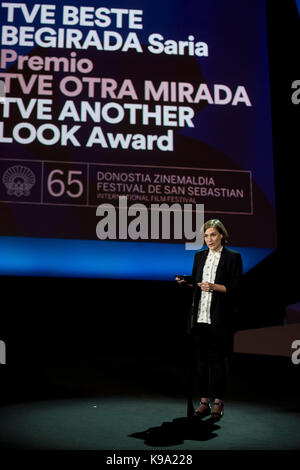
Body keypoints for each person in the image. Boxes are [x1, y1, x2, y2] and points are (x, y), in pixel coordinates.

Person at [176, 219, 243, 420]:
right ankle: (204, 402)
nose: (209, 239)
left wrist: (213, 287)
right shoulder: (199, 256)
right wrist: (188, 281)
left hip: (220, 317)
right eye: (206, 236)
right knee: (202, 361)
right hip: (200, 316)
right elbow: (199, 280)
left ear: (222, 235)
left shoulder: (233, 257)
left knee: (218, 361)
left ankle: (218, 402)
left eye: (213, 235)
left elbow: (235, 287)